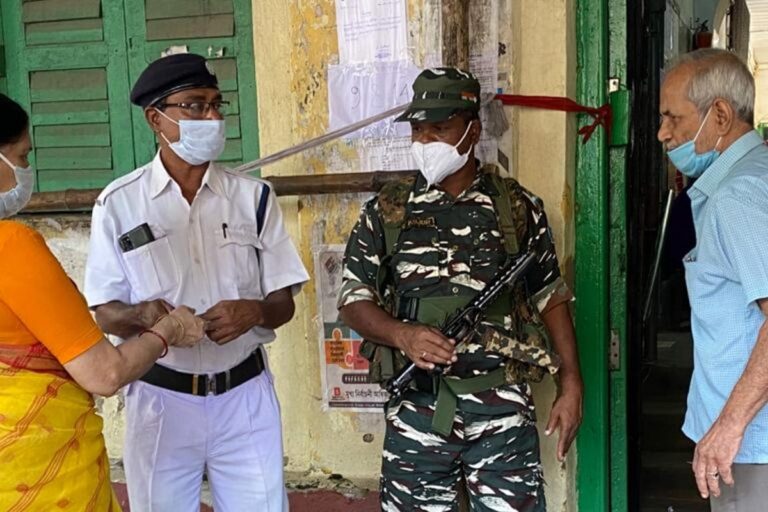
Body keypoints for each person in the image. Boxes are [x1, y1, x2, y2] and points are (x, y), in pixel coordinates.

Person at [337, 68, 583, 511]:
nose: (426, 140)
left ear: (474, 128)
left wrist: (571, 385)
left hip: (502, 407)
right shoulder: (387, 211)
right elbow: (353, 299)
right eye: (418, 129)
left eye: (440, 127)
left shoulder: (515, 206)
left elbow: (551, 296)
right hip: (418, 408)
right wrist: (402, 335)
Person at [84, 53, 308, 511]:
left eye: (215, 105)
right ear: (156, 118)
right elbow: (104, 309)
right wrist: (144, 318)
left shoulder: (254, 198)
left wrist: (257, 311)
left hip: (245, 398)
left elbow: (284, 301)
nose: (212, 117)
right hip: (162, 399)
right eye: (194, 106)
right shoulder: (119, 204)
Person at [0, 92, 205, 511]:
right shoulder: (12, 247)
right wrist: (169, 330)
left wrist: (136, 315)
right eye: (21, 157)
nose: (26, 171)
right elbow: (104, 374)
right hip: (34, 472)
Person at [658, 48, 768, 510]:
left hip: (751, 448)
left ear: (719, 114)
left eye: (672, 118)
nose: (663, 134)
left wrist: (728, 427)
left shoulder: (739, 195)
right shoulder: (751, 175)